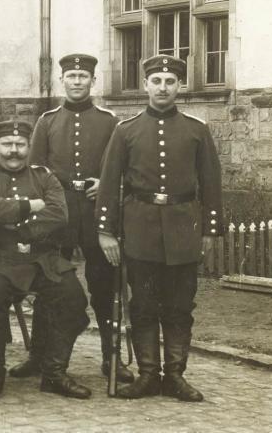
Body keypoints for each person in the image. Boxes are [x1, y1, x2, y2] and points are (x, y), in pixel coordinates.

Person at [96, 55, 223, 402]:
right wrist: (106, 230)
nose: (163, 87)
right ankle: (148, 374)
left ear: (179, 86)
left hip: (184, 228)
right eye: (156, 81)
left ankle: (175, 375)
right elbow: (109, 184)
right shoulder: (127, 130)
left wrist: (211, 231)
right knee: (144, 305)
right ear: (145, 85)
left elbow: (211, 184)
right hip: (140, 228)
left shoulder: (197, 130)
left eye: (170, 81)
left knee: (181, 305)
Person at [18, 54, 134, 383]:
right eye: (71, 75)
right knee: (49, 284)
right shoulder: (48, 121)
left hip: (97, 214)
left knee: (105, 286)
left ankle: (111, 358)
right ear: (62, 80)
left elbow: (122, 167)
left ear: (93, 81)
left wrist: (107, 184)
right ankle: (39, 355)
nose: (77, 81)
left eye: (83, 76)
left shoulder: (110, 121)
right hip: (59, 214)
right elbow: (35, 171)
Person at [0, 120, 91, 401]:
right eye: (7, 145)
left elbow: (59, 214)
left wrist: (19, 226)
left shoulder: (44, 177)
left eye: (20, 145)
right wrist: (28, 206)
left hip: (40, 257)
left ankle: (54, 372)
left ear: (28, 147)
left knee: (72, 296)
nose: (14, 151)